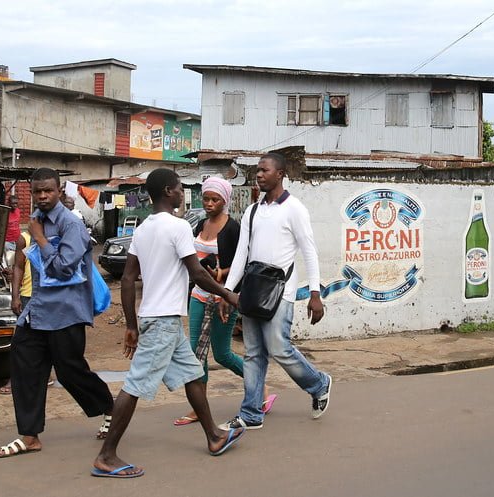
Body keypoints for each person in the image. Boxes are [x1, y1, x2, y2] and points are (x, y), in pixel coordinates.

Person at [92, 168, 244, 478]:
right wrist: (229, 295)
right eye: (178, 188)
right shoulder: (177, 227)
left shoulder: (144, 229)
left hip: (160, 318)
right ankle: (106, 456)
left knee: (191, 374)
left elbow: (129, 277)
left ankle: (214, 436)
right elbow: (197, 273)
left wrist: (132, 325)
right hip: (162, 321)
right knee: (135, 385)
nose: (181, 193)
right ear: (167, 192)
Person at [0, 168, 113, 458]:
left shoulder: (70, 225)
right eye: (37, 191)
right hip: (37, 310)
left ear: (59, 191)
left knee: (70, 372)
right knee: (24, 370)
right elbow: (25, 265)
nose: (43, 196)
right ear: (32, 192)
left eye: (48, 190)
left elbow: (63, 268)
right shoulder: (36, 221)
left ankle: (111, 408)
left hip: (66, 312)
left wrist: (41, 239)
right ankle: (29, 435)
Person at [219, 152, 333, 432]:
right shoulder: (253, 211)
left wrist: (316, 294)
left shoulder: (294, 209)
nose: (258, 174)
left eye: (264, 170)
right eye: (257, 170)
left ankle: (319, 384)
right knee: (253, 353)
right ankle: (251, 413)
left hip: (281, 291)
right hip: (252, 289)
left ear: (280, 173)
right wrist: (227, 291)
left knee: (279, 348)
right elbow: (241, 255)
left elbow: (309, 251)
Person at [172, 177, 277, 427]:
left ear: (225, 201)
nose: (209, 203)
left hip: (223, 297)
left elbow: (244, 261)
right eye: (206, 198)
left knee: (222, 354)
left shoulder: (233, 228)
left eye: (214, 199)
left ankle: (259, 387)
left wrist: (222, 282)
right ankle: (200, 407)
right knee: (197, 353)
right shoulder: (200, 223)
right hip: (198, 294)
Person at [0, 230, 55, 395]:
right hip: (28, 295)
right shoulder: (24, 238)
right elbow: (18, 266)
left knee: (46, 337)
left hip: (50, 295)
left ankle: (45, 375)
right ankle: (16, 379)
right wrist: (15, 296)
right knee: (21, 341)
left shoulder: (56, 235)